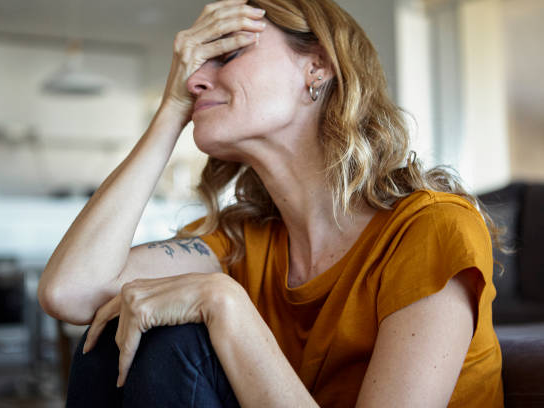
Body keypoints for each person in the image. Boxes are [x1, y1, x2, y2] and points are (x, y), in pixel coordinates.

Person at [37, 0, 504, 406]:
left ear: (316, 66)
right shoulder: (241, 245)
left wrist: (224, 303)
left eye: (227, 54)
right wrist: (171, 112)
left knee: (171, 337)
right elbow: (71, 292)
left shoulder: (433, 229)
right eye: (194, 69)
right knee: (115, 333)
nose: (194, 79)